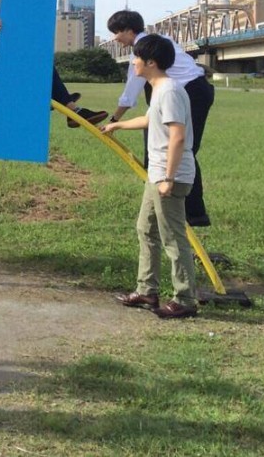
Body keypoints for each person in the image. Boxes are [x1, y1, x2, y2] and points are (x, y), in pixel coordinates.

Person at [100, 34, 198, 319]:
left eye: (137, 58)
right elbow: (150, 120)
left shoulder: (169, 90)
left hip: (170, 177)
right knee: (146, 229)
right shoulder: (159, 90)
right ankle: (147, 290)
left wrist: (168, 177)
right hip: (156, 175)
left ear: (151, 62)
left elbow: (177, 137)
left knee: (173, 239)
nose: (133, 63)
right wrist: (117, 126)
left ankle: (185, 299)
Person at [107, 9, 215, 227]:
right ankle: (161, 200)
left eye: (117, 32)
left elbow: (131, 91)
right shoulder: (156, 41)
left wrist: (113, 118)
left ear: (129, 30)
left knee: (183, 151)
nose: (115, 38)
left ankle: (192, 213)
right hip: (188, 91)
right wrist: (116, 123)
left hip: (190, 93)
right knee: (156, 147)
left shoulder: (144, 51)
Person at [0, 0, 108, 128]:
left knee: (42, 61)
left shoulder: (12, 8)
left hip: (5, 55)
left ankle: (67, 106)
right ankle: (66, 105)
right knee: (36, 64)